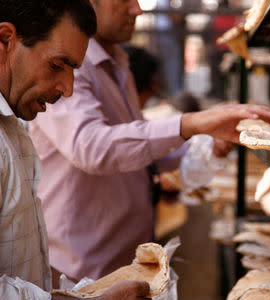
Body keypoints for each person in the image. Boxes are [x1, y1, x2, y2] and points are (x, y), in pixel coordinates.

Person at [29, 0, 270, 284]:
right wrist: (191, 124)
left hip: (124, 260)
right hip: (83, 273)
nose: (137, 10)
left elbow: (139, 146)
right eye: (124, 1)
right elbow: (92, 147)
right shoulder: (69, 67)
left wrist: (212, 143)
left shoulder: (118, 61)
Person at [0, 0, 151, 299]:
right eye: (57, 65)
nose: (67, 88)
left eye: (72, 70)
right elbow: (92, 147)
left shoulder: (12, 131)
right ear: (6, 40)